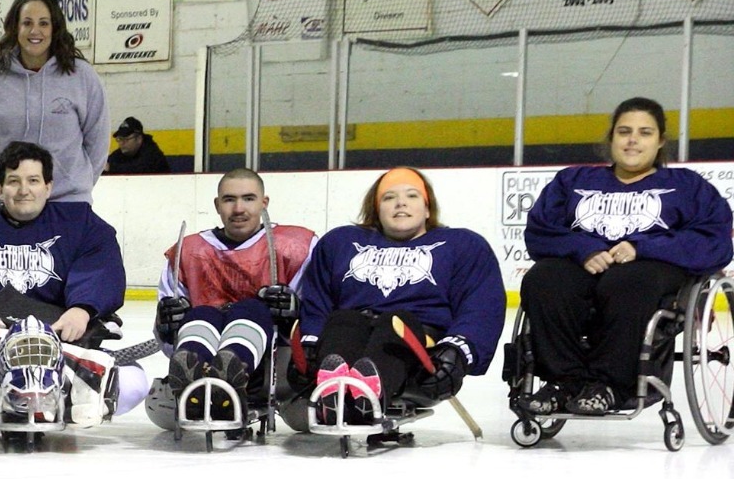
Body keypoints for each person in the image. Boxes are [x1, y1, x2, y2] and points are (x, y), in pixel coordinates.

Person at [518, 98, 731, 415]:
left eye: (645, 133)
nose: (633, 140)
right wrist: (582, 249)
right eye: (624, 131)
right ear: (611, 139)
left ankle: (610, 384)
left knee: (627, 281)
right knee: (543, 279)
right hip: (584, 268)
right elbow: (539, 230)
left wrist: (643, 248)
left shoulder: (686, 186)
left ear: (660, 141)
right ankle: (564, 382)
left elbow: (713, 239)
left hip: (651, 273)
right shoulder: (572, 182)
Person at [295, 167, 503, 435]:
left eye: (412, 196)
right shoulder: (341, 242)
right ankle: (332, 394)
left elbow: (481, 305)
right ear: (376, 209)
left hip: (417, 340)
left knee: (396, 324)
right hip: (353, 329)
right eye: (388, 197)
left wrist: (459, 350)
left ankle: (366, 399)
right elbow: (317, 299)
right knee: (343, 319)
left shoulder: (462, 245)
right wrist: (311, 339)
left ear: (428, 209)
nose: (400, 202)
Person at [154, 168, 315, 416]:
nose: (239, 208)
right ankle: (196, 372)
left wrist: (295, 316)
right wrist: (166, 327)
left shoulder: (296, 246)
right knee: (201, 316)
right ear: (217, 205)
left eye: (248, 198)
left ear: (264, 203)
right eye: (229, 200)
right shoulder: (188, 250)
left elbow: (318, 313)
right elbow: (167, 324)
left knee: (302, 416)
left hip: (274, 368)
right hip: (207, 337)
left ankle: (229, 372)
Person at [0, 142, 124, 347]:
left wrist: (81, 311)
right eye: (13, 181)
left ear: (48, 187)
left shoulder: (81, 224)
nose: (24, 190)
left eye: (33, 181)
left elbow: (101, 266)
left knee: (132, 378)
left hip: (63, 340)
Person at [0, 0, 108, 204]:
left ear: (55, 28)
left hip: (67, 200)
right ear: (15, 27)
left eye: (44, 23)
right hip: (5, 202)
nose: (35, 31)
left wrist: (74, 183)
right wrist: (10, 186)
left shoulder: (82, 76)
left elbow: (97, 142)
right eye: (27, 23)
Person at [105, 117, 171, 175]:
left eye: (126, 139)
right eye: (120, 139)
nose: (122, 143)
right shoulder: (123, 152)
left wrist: (111, 167)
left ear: (139, 139)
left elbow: (138, 169)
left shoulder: (152, 154)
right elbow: (107, 163)